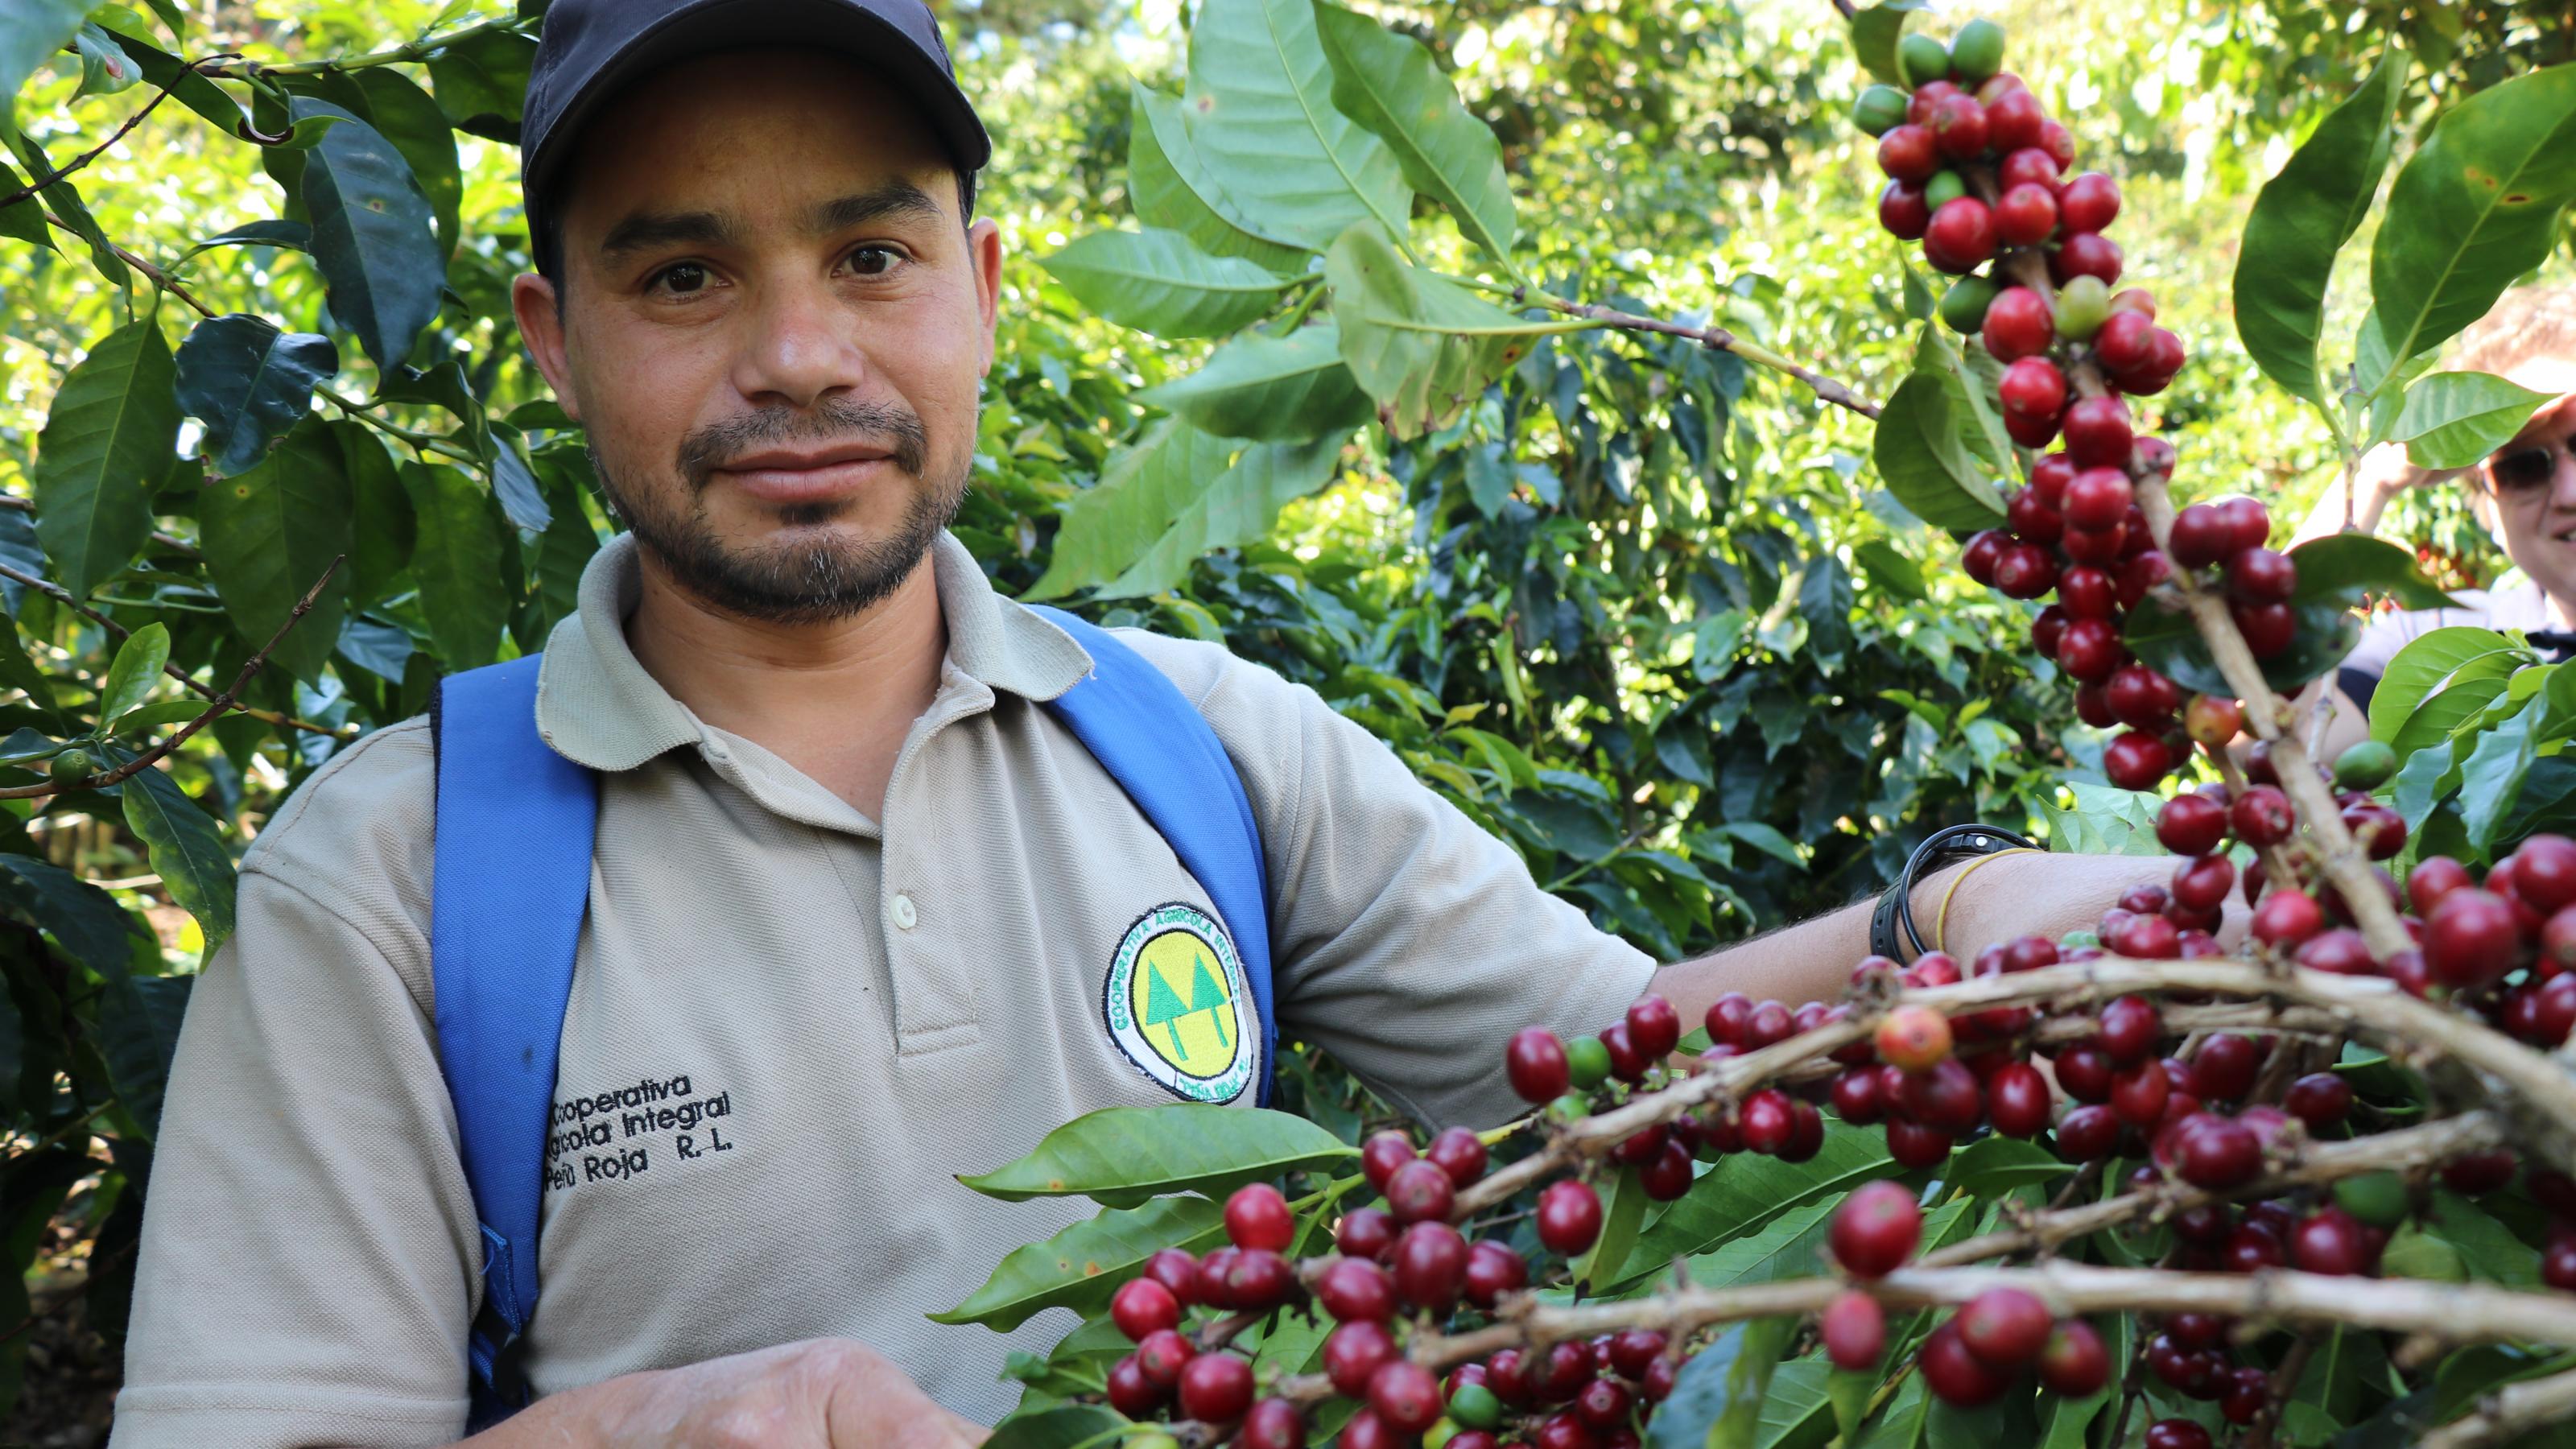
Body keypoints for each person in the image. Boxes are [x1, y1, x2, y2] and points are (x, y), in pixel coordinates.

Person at [109, 2, 2194, 1444]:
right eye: (682, 280)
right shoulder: (392, 880)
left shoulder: (1204, 749)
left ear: (988, 290)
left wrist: (1962, 919)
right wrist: (647, 1426)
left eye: (871, 252)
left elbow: (1620, 1079)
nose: (801, 353)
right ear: (553, 341)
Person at [2289, 284, 2576, 760]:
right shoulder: (2439, 644)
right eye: (2521, 467)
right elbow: (2265, 731)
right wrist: (2375, 477)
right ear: (2487, 506)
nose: (2570, 493)